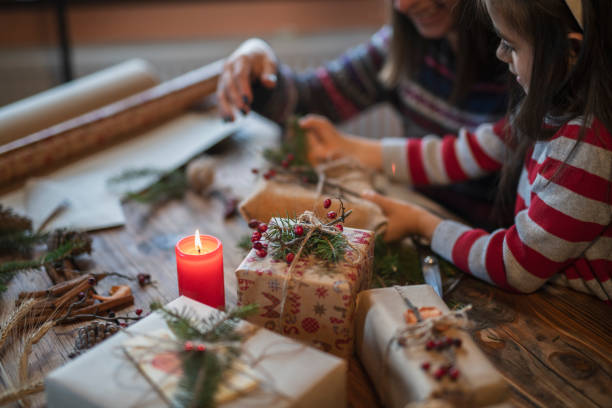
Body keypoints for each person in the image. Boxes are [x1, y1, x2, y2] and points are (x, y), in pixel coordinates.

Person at [303, 0, 612, 302]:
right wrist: (351, 149)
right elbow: (465, 153)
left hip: (586, 318)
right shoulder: (549, 109)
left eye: (511, 45)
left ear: (570, 52)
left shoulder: (586, 148)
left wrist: (424, 224)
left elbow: (516, 265)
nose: (500, 53)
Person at [216, 0, 509, 228]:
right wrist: (258, 57)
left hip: (493, 254)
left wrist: (354, 149)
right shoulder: (401, 45)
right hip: (415, 224)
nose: (402, 6)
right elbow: (307, 102)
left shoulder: (527, 66)